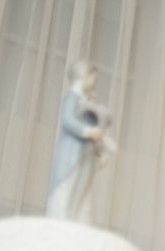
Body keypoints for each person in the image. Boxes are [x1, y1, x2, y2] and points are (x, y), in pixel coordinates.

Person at [46, 61, 117, 223]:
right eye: (93, 78)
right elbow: (68, 120)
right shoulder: (72, 98)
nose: (94, 83)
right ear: (84, 77)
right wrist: (89, 131)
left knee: (82, 190)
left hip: (86, 157)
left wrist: (100, 151)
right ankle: (67, 216)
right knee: (68, 188)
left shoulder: (85, 101)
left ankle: (74, 215)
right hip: (72, 156)